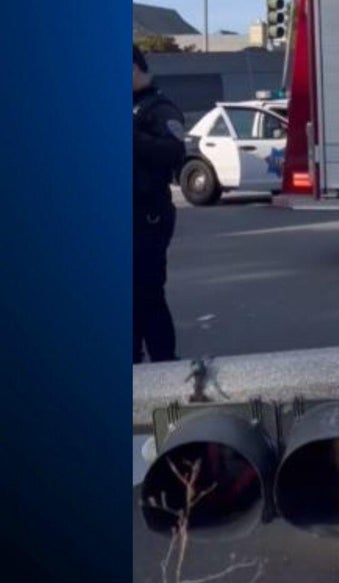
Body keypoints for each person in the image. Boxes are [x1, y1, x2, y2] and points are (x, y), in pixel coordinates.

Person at [133, 46, 185, 363]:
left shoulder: (160, 108)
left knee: (148, 293)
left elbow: (173, 151)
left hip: (148, 214)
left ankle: (165, 367)